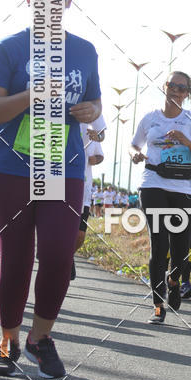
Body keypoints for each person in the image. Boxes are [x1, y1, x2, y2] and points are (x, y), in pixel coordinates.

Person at [0, 0, 102, 378]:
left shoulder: (84, 51)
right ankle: (8, 341)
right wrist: (31, 95)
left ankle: (40, 337)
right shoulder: (11, 48)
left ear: (69, 1)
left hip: (61, 167)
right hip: (12, 167)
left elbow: (94, 102)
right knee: (16, 257)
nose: (51, 4)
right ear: (29, 0)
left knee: (57, 253)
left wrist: (91, 111)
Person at [130, 71, 191, 324]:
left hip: (184, 188)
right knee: (158, 242)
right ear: (164, 87)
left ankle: (174, 281)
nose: (176, 90)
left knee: (180, 250)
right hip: (153, 183)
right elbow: (135, 144)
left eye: (181, 88)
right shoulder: (150, 118)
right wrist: (135, 154)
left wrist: (186, 141)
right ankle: (157, 304)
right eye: (172, 85)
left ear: (187, 94)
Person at [71, 115, 105, 281]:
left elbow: (100, 155)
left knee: (80, 236)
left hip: (83, 190)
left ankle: (67, 256)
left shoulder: (91, 130)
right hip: (56, 184)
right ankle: (57, 260)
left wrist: (93, 159)